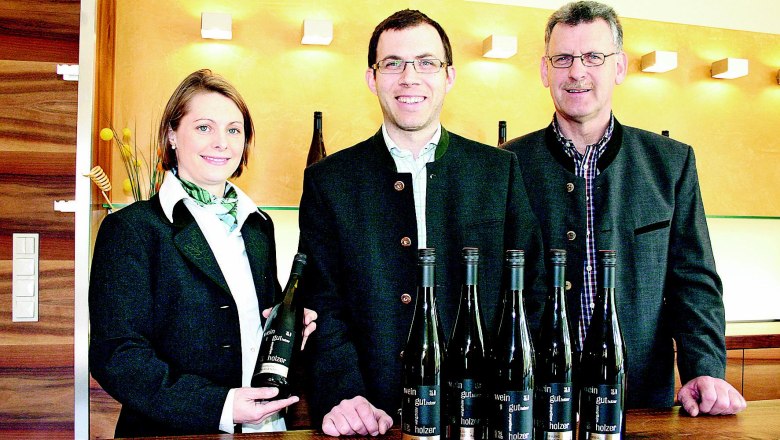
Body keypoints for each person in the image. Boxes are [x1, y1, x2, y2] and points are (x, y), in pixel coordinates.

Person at [298, 9, 546, 437]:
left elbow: (532, 293)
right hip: (372, 420)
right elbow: (321, 303)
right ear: (372, 78)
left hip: (484, 417)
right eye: (392, 63)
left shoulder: (498, 171)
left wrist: (513, 391)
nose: (409, 77)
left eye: (427, 62)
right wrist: (344, 394)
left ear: (449, 76)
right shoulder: (329, 181)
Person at [502, 1, 746, 416]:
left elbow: (694, 282)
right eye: (563, 58)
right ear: (545, 71)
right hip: (534, 403)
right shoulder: (506, 166)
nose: (577, 71)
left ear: (619, 67)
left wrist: (703, 368)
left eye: (594, 57)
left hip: (638, 405)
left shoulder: (670, 163)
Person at [89, 69, 317, 437]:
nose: (222, 143)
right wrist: (223, 406)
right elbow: (116, 355)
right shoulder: (133, 230)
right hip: (171, 430)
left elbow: (257, 327)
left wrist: (288, 329)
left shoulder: (259, 226)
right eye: (204, 127)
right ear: (172, 135)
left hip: (265, 428)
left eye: (233, 130)